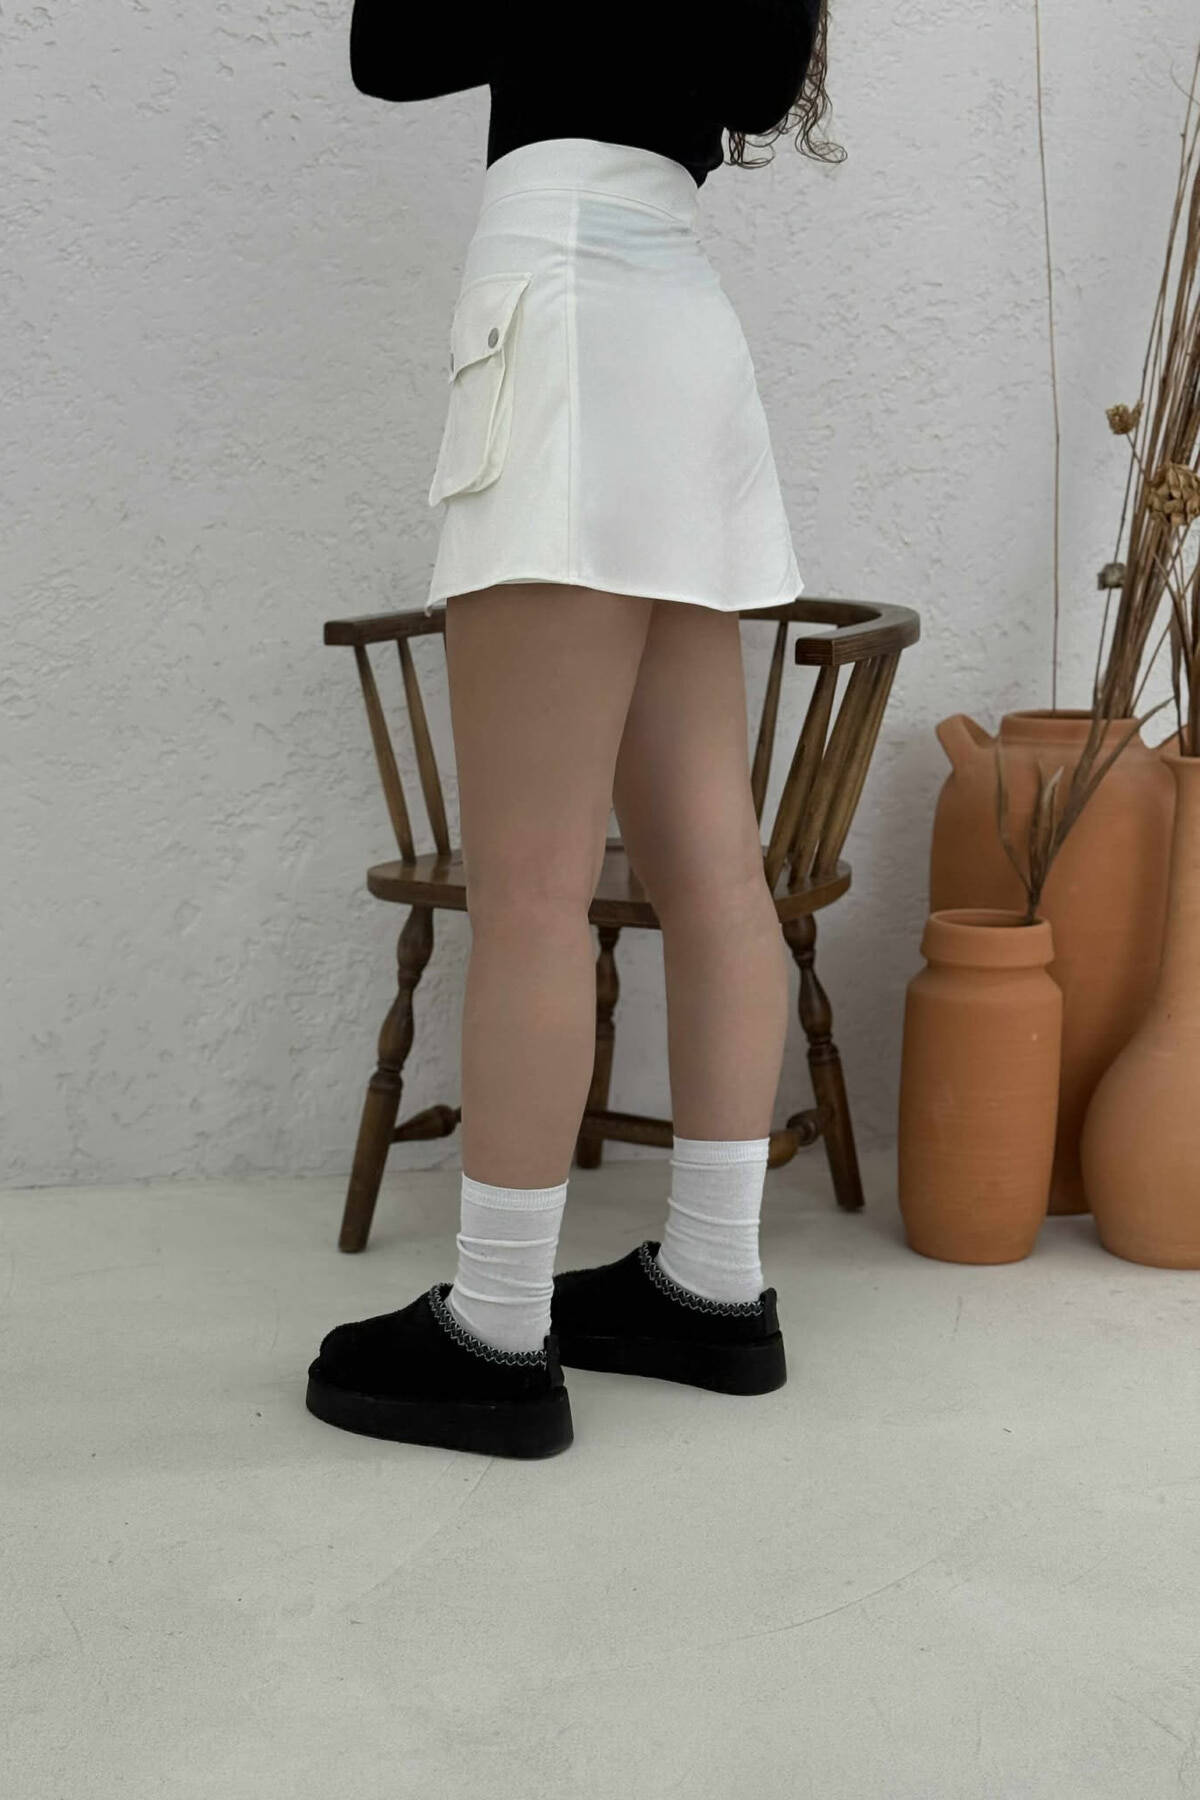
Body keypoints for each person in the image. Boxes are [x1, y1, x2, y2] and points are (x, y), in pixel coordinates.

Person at [305, 3, 841, 1458]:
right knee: (714, 871)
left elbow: (390, 45)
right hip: (680, 319)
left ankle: (494, 1330)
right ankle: (712, 1283)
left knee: (530, 889)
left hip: (565, 300)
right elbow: (755, 80)